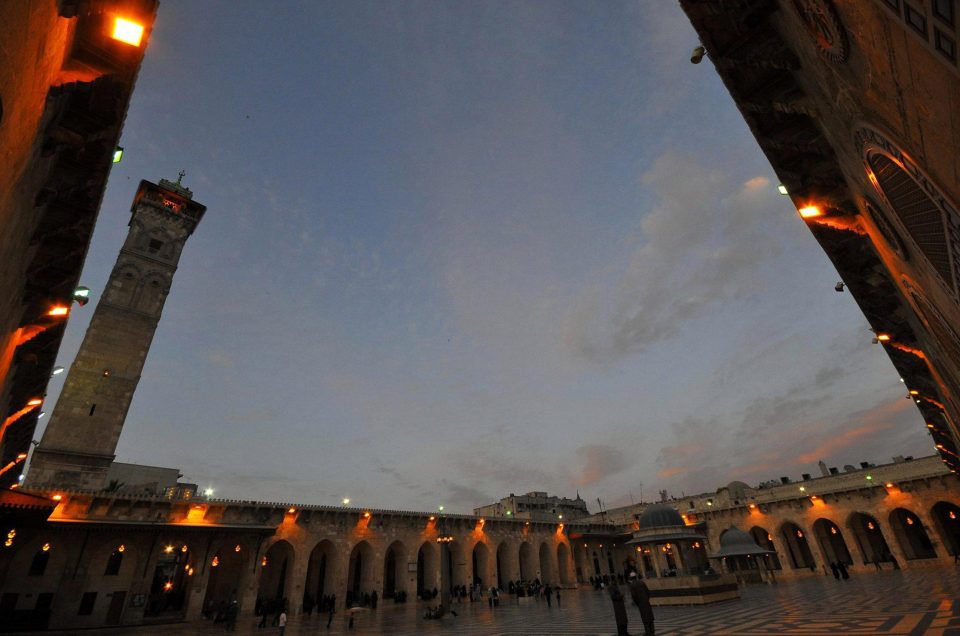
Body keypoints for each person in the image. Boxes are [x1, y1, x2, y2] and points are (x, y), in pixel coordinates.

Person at [629, 572, 655, 636]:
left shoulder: (632, 585)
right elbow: (647, 591)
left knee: (644, 617)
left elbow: (634, 596)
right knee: (650, 616)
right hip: (646, 602)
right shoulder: (642, 582)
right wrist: (646, 599)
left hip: (641, 603)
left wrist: (637, 603)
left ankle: (648, 632)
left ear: (631, 578)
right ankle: (652, 631)